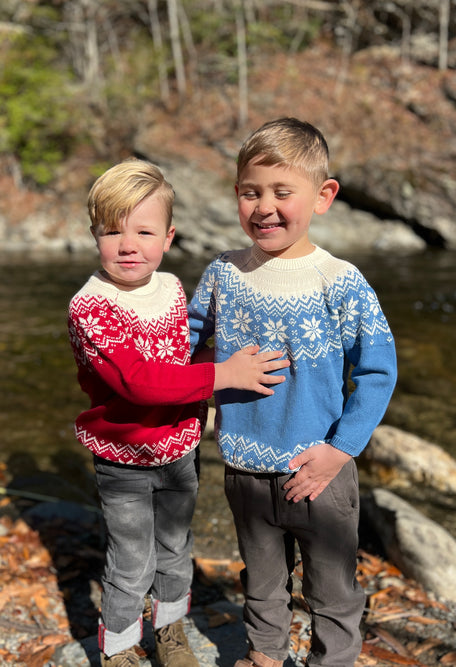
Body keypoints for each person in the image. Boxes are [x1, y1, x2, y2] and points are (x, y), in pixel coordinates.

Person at [187, 118, 398, 667]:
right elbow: (186, 343)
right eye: (250, 192)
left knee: (332, 591)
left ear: (323, 197)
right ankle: (265, 656)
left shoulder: (340, 281)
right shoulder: (222, 275)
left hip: (320, 471)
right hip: (245, 469)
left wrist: (340, 449)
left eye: (283, 193)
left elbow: (377, 372)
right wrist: (201, 381)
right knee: (261, 581)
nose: (265, 207)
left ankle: (333, 660)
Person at [67, 158, 289, 667]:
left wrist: (227, 358)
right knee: (130, 560)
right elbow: (139, 383)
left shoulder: (169, 288)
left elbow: (180, 355)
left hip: (179, 449)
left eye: (143, 232)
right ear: (94, 235)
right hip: (123, 455)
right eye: (112, 231)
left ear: (168, 238)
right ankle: (120, 647)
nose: (128, 245)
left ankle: (169, 630)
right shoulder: (91, 307)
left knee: (174, 550)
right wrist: (221, 376)